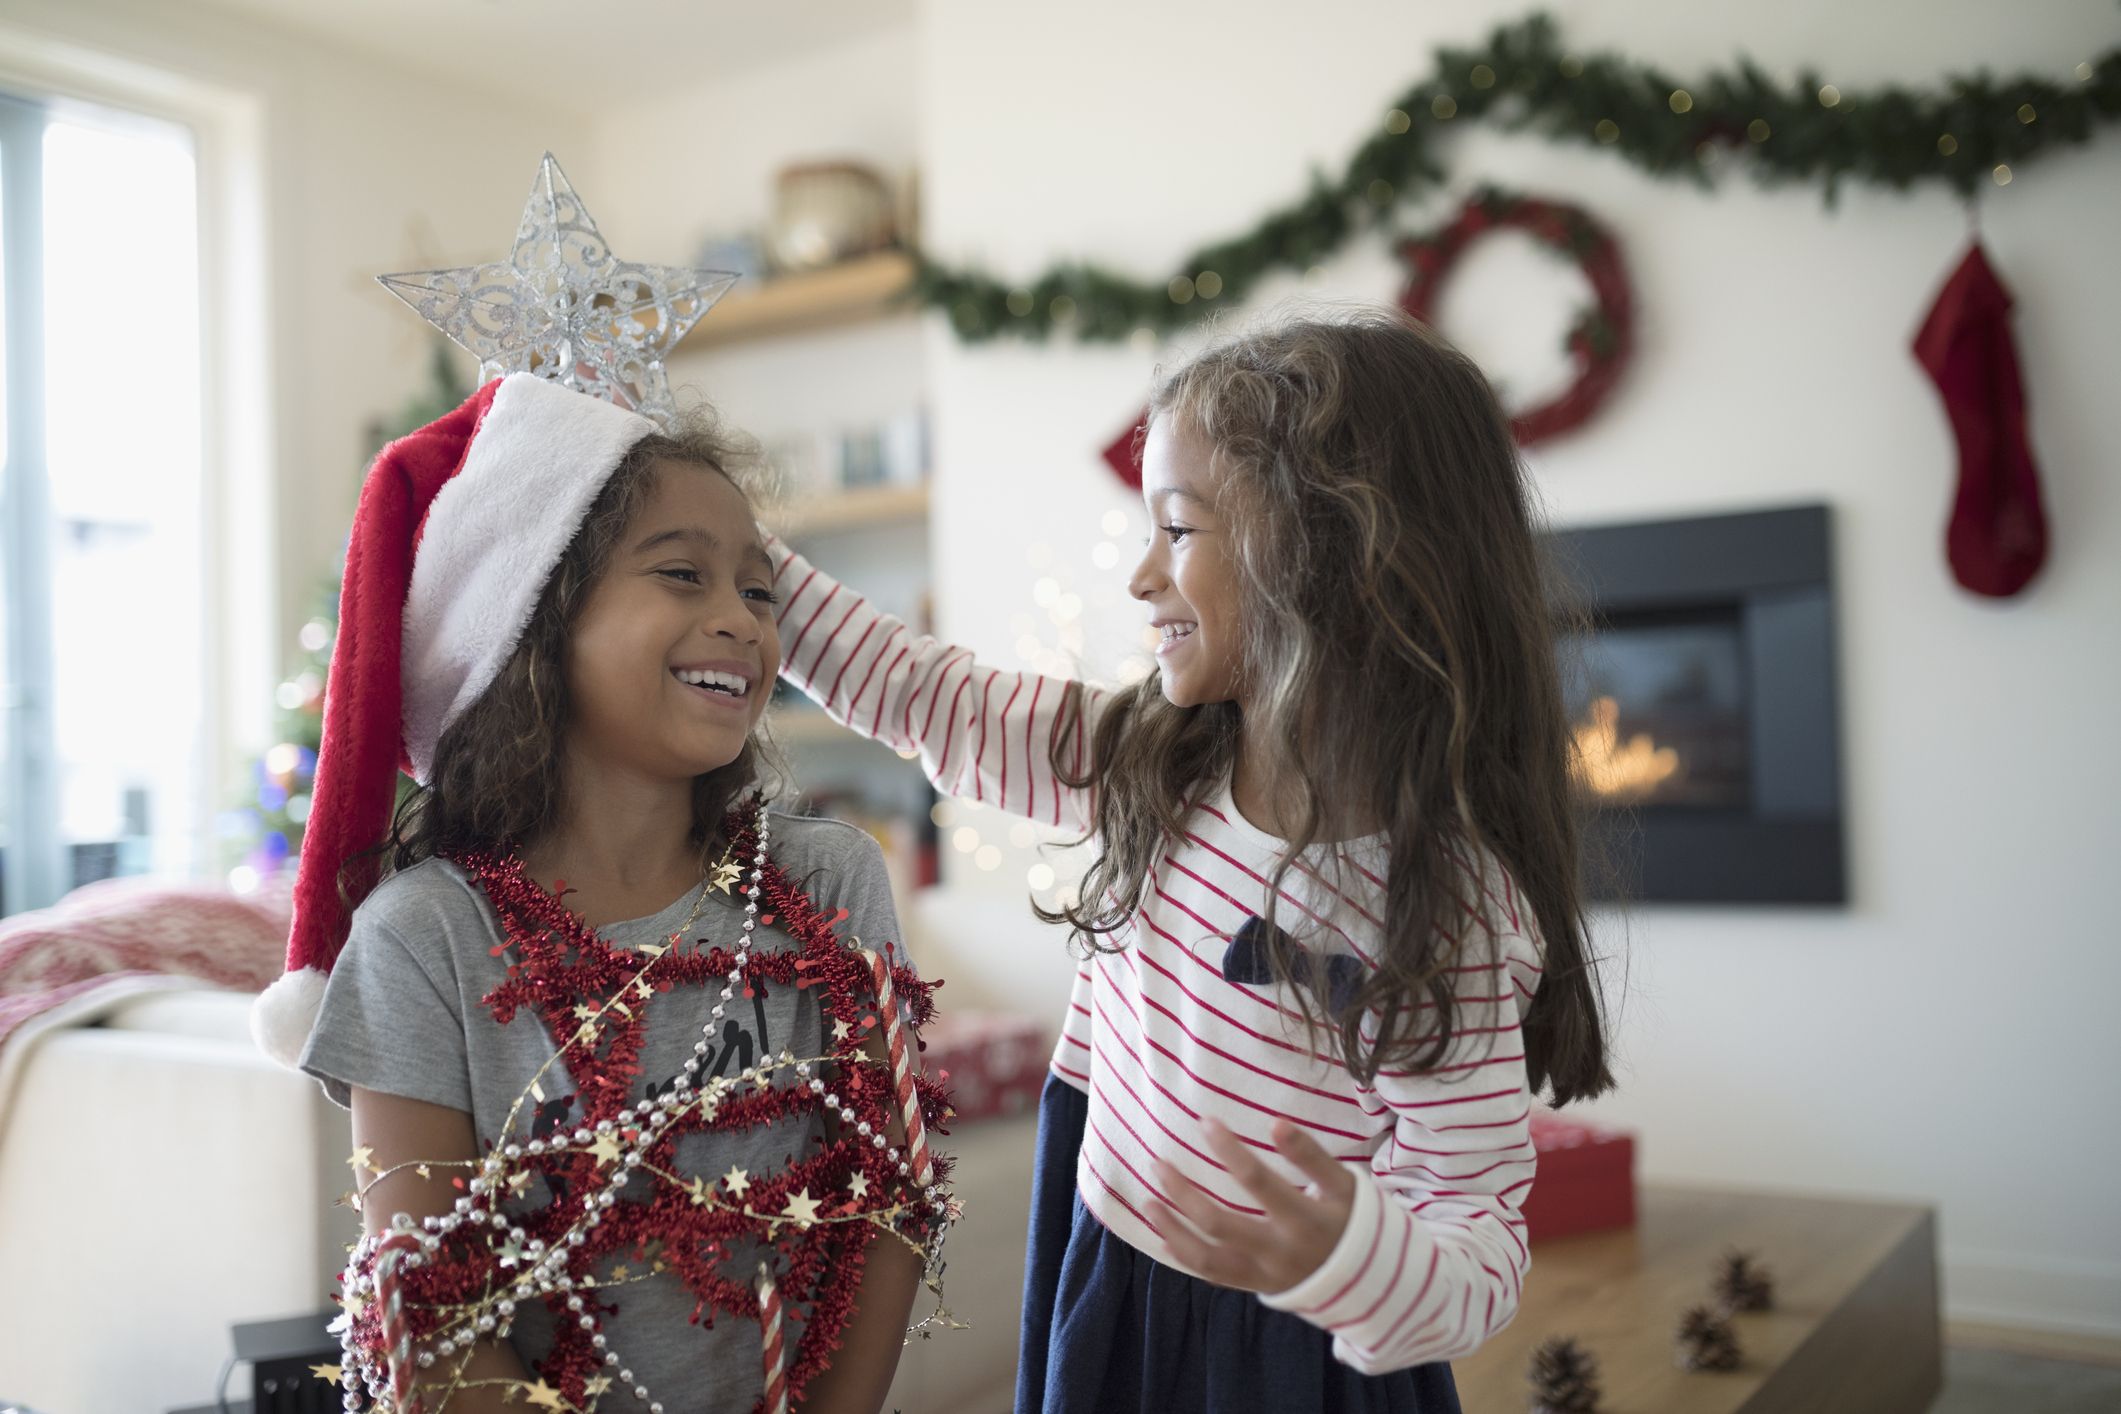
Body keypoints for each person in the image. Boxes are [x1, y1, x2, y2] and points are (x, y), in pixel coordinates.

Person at [766, 307, 1614, 1413]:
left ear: (1334, 557)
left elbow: (1480, 1247)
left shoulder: (1445, 910)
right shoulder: (1143, 764)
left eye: (1178, 530)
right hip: (1110, 1278)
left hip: (1299, 1360)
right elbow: (932, 696)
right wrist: (746, 570)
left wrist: (1353, 1255)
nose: (1140, 579)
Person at [253, 373, 924, 1414]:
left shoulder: (828, 883)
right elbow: (436, 1323)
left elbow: (886, 1206)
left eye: (756, 590)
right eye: (682, 574)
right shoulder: (423, 939)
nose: (741, 623)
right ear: (535, 616)